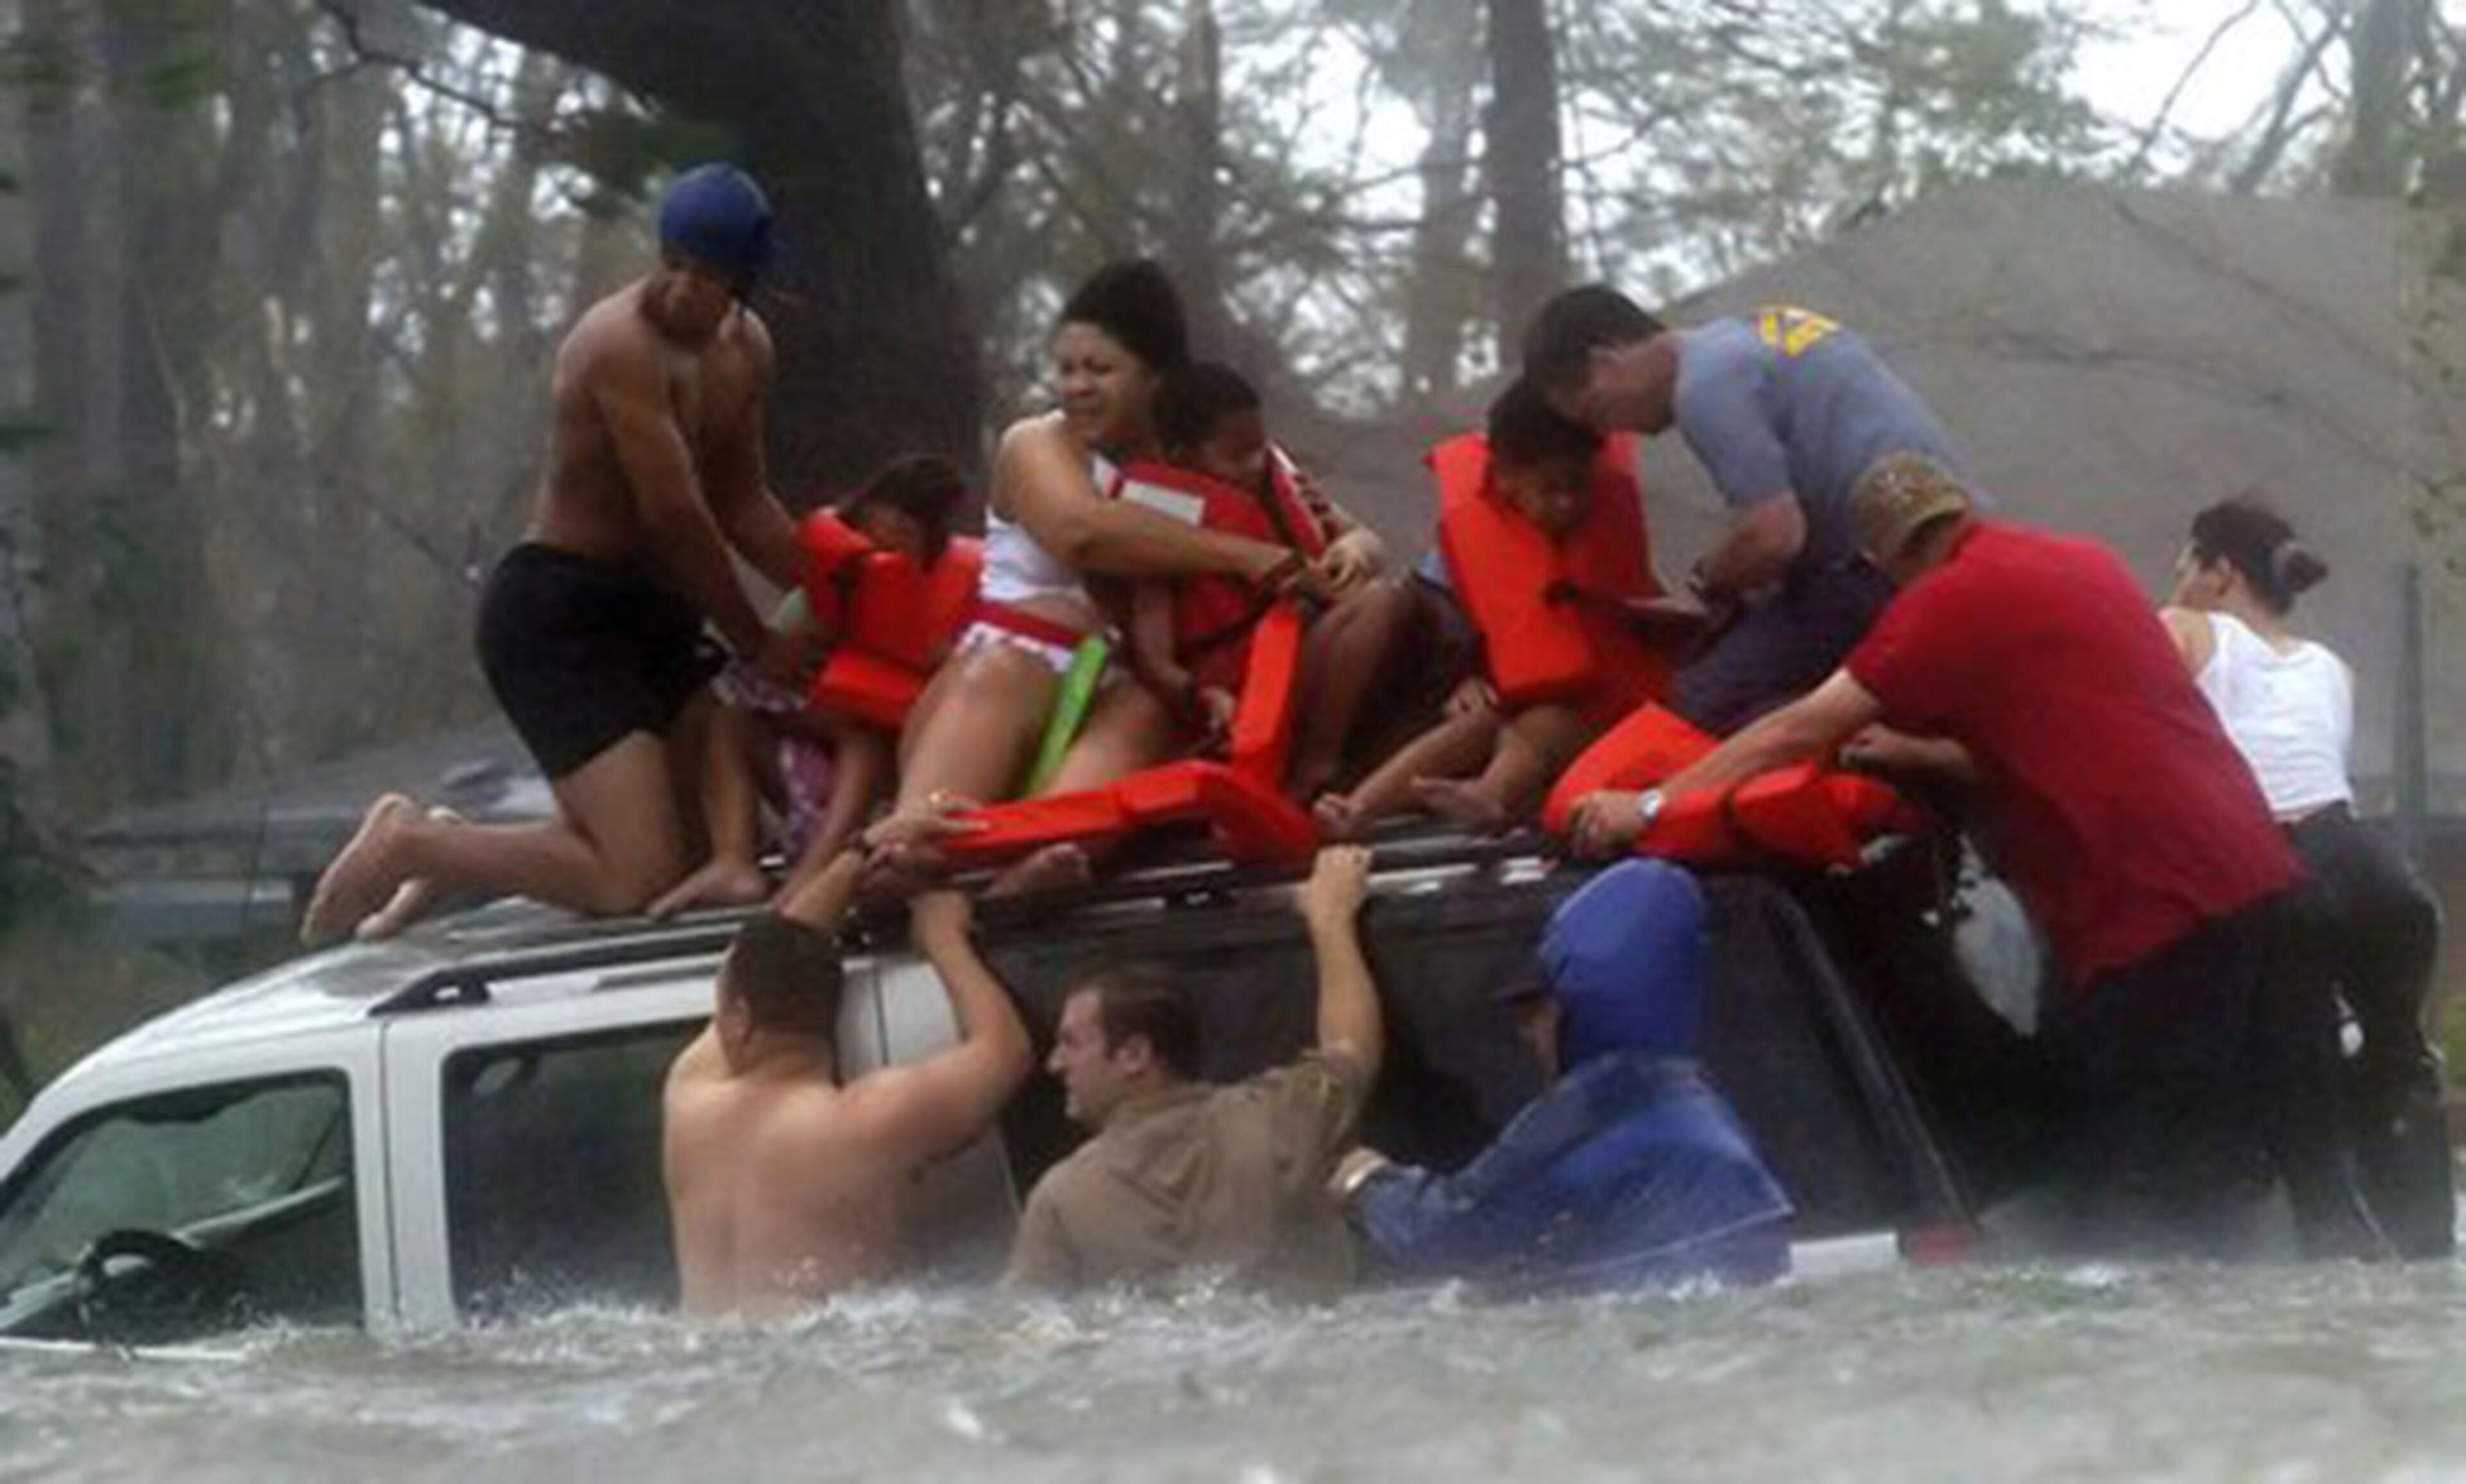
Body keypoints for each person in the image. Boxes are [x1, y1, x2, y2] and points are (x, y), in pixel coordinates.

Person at [1568, 453, 2375, 1258]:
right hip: (2278, 890)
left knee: (2142, 1219)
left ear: (1887, 559)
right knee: (2323, 1211)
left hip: (2161, 926)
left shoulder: (1946, 605)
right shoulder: (2082, 563)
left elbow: (1801, 728)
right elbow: (2079, 737)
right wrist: (1924, 756)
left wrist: (1648, 804)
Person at [300, 162, 811, 945]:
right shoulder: (619, 346)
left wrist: (841, 584)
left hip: (656, 613)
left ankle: (455, 849)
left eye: (704, 276)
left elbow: (744, 502)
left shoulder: (747, 352)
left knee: (714, 852)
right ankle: (413, 844)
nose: (679, 289)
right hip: (560, 614)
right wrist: (755, 637)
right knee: (637, 877)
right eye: (671, 263)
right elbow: (676, 515)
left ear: (739, 282)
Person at [875, 261, 1365, 889]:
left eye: (1099, 370)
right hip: (1011, 674)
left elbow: (1339, 533)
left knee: (1151, 707)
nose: (1076, 386)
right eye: (1066, 369)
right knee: (1001, 673)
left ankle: (1039, 867)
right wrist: (1245, 556)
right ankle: (908, 850)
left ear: (1158, 378)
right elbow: (1083, 532)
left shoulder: (1218, 452)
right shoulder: (1035, 442)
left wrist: (1358, 549)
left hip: (1131, 688)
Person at [2160, 495, 2453, 1256]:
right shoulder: (2331, 668)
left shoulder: (2186, 630)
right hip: (2375, 870)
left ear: (2220, 573)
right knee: (2400, 1059)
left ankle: (2333, 1244)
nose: (2175, 581)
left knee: (2304, 1072)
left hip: (2283, 862)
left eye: (2184, 566)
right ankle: (2428, 1239)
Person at [1332, 859, 1791, 1294]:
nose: (1526, 1030)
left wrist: (1364, 1181)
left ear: (1587, 1001)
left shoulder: (1601, 1103)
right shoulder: (1696, 1104)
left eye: (1539, 1006)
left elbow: (1452, 1232)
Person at [1522, 289, 1965, 736]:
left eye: (1596, 411)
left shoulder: (1704, 387)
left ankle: (1874, 778)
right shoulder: (1759, 330)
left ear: (1606, 363)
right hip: (1952, 536)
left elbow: (1774, 534)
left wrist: (1705, 585)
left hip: (1885, 570)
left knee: (1700, 702)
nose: (1609, 429)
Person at [661, 851, 1033, 1314]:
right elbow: (1006, 1049)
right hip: (837, 1365)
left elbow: (757, 959)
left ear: (738, 1016)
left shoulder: (689, 1101)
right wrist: (943, 936)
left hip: (709, 1369)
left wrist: (856, 857)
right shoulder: (870, 1120)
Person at [1001, 844, 1381, 1290]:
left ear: (1134, 1055)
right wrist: (1331, 920)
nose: (1054, 1063)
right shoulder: (1279, 1120)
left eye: (1070, 1042)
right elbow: (1353, 1048)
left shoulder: (1062, 1200)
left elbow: (1028, 1333)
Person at [1317, 379, 1675, 838]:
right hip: (1505, 698)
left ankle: (1489, 794)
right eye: (1550, 489)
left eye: (1577, 488)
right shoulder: (1470, 547)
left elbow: (1648, 603)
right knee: (1490, 719)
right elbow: (1444, 621)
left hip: (1597, 710)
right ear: (1504, 479)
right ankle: (1358, 808)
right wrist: (1467, 675)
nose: (1566, 504)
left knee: (1541, 724)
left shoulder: (1606, 538)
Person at [655, 455, 974, 916]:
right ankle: (733, 860)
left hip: (885, 808)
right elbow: (765, 688)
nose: (880, 551)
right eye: (866, 541)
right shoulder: (811, 607)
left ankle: (816, 873)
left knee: (864, 735)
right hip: (807, 784)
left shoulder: (944, 619)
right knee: (728, 716)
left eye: (901, 542)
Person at [1123, 360, 1410, 789]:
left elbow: (1368, 541)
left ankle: (1328, 753)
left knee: (1387, 595)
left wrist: (1352, 550)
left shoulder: (1281, 480)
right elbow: (1154, 659)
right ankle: (1316, 765)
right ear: (1182, 456)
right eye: (1238, 455)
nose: (1257, 464)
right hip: (1245, 694)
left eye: (1260, 447)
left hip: (1304, 652)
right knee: (1379, 603)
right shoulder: (1158, 523)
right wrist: (1200, 695)